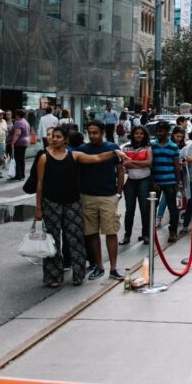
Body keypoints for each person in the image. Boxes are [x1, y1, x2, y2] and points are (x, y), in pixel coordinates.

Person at [35, 127, 124, 287]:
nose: (54, 139)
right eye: (52, 137)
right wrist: (38, 208)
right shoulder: (44, 158)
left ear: (65, 140)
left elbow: (96, 158)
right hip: (51, 203)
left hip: (72, 202)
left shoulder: (74, 155)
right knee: (53, 240)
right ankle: (53, 276)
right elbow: (40, 184)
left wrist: (114, 153)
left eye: (58, 137)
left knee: (75, 239)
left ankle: (78, 274)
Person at [78, 120, 125, 281]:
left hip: (108, 195)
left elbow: (120, 171)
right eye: (90, 132)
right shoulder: (83, 149)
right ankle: (99, 266)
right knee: (91, 232)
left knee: (111, 231)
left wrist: (119, 192)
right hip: (87, 195)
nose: (92, 135)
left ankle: (113, 267)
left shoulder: (112, 148)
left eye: (95, 132)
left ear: (102, 132)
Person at [150, 121, 184, 242]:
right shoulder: (152, 146)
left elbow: (176, 166)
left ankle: (173, 231)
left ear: (166, 132)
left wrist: (178, 182)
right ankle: (149, 232)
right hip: (156, 182)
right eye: (158, 130)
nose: (159, 133)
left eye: (161, 131)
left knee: (172, 208)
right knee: (152, 208)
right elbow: (151, 165)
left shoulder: (173, 147)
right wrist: (153, 181)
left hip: (170, 182)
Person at [120, 126, 153, 245]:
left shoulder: (148, 147)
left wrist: (132, 162)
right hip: (129, 181)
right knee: (129, 209)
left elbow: (149, 162)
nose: (139, 135)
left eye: (141, 134)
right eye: (136, 133)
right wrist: (141, 164)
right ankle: (127, 235)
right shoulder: (125, 147)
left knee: (145, 209)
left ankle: (146, 234)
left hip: (144, 180)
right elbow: (124, 164)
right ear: (133, 134)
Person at [10, 110, 31, 182]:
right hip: (25, 141)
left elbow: (17, 133)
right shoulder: (25, 122)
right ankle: (22, 174)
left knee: (17, 159)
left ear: (17, 115)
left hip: (19, 142)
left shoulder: (18, 122)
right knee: (21, 159)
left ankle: (18, 175)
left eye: (15, 115)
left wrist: (13, 142)